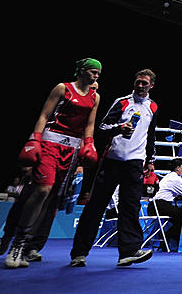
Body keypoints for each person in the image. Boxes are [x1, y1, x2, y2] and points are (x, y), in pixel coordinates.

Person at [2, 58, 100, 268]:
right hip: (50, 142)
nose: (95, 76)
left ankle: (28, 245)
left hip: (71, 150)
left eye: (98, 74)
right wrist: (34, 139)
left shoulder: (95, 97)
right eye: (92, 72)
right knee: (42, 190)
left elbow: (90, 124)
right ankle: (17, 242)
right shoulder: (62, 88)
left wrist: (89, 144)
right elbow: (44, 115)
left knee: (50, 198)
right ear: (81, 71)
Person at [69, 69, 159, 268]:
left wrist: (150, 161)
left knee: (131, 208)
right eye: (138, 82)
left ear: (151, 85)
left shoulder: (153, 107)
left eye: (145, 83)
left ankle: (128, 252)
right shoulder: (122, 102)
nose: (140, 85)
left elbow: (150, 135)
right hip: (112, 160)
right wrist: (120, 128)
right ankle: (79, 253)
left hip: (135, 163)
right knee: (96, 206)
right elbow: (101, 128)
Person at [152, 157, 182, 251]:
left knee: (177, 216)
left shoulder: (168, 176)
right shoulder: (175, 179)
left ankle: (169, 239)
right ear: (177, 168)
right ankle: (167, 235)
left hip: (154, 206)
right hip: (161, 206)